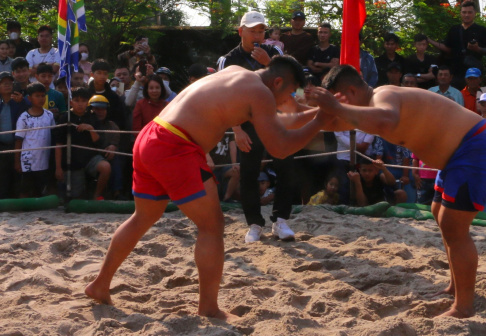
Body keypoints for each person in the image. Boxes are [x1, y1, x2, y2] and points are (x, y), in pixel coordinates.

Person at [85, 55, 328, 319]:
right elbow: (280, 148)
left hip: (151, 136)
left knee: (143, 216)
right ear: (278, 82)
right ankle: (209, 308)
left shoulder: (238, 72)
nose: (287, 99)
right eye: (290, 92)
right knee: (212, 226)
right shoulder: (261, 94)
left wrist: (320, 113)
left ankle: (100, 284)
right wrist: (321, 121)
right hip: (175, 146)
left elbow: (284, 120)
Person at [309, 64, 486, 319]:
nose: (335, 104)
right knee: (438, 212)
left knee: (453, 225)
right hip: (458, 153)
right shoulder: (368, 108)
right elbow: (329, 119)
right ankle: (457, 287)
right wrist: (295, 111)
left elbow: (384, 118)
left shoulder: (382, 96)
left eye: (337, 99)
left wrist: (334, 107)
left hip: (476, 146)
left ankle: (464, 306)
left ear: (349, 92)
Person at [217, 11, 300, 243]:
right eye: (252, 30)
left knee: (286, 170)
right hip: (246, 123)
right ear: (241, 31)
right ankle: (254, 224)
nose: (257, 34)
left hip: (277, 121)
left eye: (261, 30)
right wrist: (237, 129)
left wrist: (269, 64)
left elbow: (292, 82)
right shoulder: (228, 59)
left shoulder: (276, 52)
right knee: (249, 174)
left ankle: (281, 221)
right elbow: (224, 96)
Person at [55, 92, 116, 201]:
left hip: (90, 157)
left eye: (83, 101)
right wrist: (58, 167)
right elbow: (58, 144)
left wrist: (91, 129)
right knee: (76, 197)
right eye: (77, 100)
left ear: (87, 103)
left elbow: (99, 142)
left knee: (106, 167)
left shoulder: (93, 118)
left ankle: (97, 195)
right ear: (70, 102)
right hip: (72, 161)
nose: (80, 104)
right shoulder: (65, 118)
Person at [430, 0, 486, 87]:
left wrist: (477, 49)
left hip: (473, 73)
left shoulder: (483, 31)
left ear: (475, 13)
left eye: (469, 12)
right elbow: (448, 48)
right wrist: (429, 40)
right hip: (455, 73)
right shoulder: (454, 29)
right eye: (464, 12)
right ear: (460, 13)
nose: (466, 15)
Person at [14, 83, 57, 198]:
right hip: (27, 160)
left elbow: (53, 136)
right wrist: (17, 161)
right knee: (25, 189)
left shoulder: (49, 115)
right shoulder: (24, 117)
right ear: (29, 98)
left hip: (44, 159)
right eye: (37, 96)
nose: (40, 99)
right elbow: (18, 140)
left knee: (40, 189)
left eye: (43, 96)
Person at [0, 72, 27, 201]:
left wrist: (22, 102)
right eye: (4, 83)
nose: (7, 86)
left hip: (16, 147)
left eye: (10, 83)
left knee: (17, 179)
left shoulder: (20, 103)